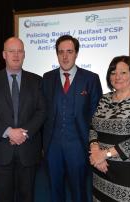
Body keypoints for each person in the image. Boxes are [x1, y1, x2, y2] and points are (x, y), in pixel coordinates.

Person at [0, 37, 46, 202]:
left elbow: (42, 111)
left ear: (24, 54)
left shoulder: (37, 80)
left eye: (20, 51)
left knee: (27, 197)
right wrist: (9, 132)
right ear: (4, 54)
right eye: (11, 51)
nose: (16, 55)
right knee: (3, 197)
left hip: (28, 151)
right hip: (0, 151)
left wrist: (24, 134)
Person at [42, 35, 102, 202]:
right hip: (52, 146)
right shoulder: (47, 78)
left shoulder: (91, 79)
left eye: (69, 51)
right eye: (61, 52)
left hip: (79, 145)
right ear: (57, 54)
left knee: (79, 191)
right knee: (55, 190)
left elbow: (96, 115)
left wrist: (94, 144)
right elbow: (41, 111)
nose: (65, 56)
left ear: (76, 54)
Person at [89, 55, 130, 201]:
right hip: (101, 167)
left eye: (123, 72)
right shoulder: (105, 99)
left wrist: (104, 154)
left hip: (128, 172)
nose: (117, 76)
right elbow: (93, 127)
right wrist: (95, 151)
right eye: (113, 73)